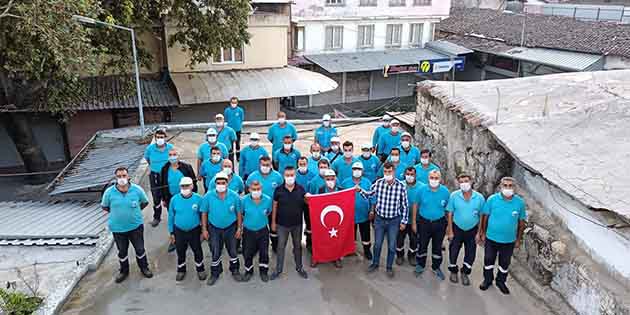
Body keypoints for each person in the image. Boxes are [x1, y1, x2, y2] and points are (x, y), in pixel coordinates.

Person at [101, 167, 153, 283]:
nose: (122, 178)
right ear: (115, 178)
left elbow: (144, 202)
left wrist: (134, 213)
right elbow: (105, 206)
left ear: (128, 176)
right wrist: (118, 213)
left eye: (124, 176)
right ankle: (124, 271)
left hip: (135, 227)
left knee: (140, 249)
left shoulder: (137, 190)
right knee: (122, 251)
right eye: (119, 176)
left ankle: (144, 267)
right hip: (118, 229)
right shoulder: (109, 192)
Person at [478, 177, 527, 295]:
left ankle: (501, 282)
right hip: (491, 238)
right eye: (505, 185)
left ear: (514, 188)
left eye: (510, 186)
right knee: (488, 259)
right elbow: (485, 216)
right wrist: (483, 233)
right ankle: (487, 280)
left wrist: (518, 239)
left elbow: (521, 222)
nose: (508, 188)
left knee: (504, 263)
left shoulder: (519, 203)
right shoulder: (492, 199)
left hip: (509, 240)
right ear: (500, 186)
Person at [359, 162, 409, 278]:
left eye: (389, 172)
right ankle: (375, 263)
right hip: (380, 219)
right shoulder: (379, 183)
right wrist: (360, 190)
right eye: (385, 172)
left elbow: (405, 206)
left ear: (394, 172)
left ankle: (389, 267)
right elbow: (369, 195)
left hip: (394, 221)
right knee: (377, 244)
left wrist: (404, 221)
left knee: (392, 246)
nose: (387, 174)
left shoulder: (401, 187)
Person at [200, 172, 243, 286]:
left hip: (231, 227)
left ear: (227, 183)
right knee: (215, 251)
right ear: (215, 184)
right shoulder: (208, 196)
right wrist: (204, 229)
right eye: (218, 183)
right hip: (214, 228)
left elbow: (239, 213)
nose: (220, 185)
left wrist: (239, 228)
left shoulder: (235, 196)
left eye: (223, 183)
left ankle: (235, 270)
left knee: (233, 250)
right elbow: (204, 213)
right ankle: (215, 272)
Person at [446, 173, 486, 286]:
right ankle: (453, 271)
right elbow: (450, 213)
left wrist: (479, 232)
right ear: (458, 183)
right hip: (457, 227)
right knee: (453, 250)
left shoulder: (479, 198)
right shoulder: (454, 196)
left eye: (466, 181)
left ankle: (465, 272)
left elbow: (481, 215)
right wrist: (450, 230)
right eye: (461, 182)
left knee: (471, 253)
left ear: (471, 181)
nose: (464, 184)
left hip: (472, 229)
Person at [271, 167, 309, 280]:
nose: (289, 178)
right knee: (280, 247)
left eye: (292, 175)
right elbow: (274, 206)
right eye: (287, 175)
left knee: (297, 246)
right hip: (281, 225)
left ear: (295, 176)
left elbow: (307, 205)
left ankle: (299, 267)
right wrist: (273, 222)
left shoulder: (301, 189)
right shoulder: (278, 190)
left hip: (297, 225)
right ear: (283, 176)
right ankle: (278, 269)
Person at [168, 177, 206, 282]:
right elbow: (171, 216)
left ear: (192, 186)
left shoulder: (199, 199)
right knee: (180, 251)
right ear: (180, 187)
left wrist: (203, 230)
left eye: (187, 186)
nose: (185, 188)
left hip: (194, 230)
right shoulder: (174, 200)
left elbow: (203, 215)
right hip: (179, 230)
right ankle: (181, 270)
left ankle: (200, 269)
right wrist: (171, 232)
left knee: (197, 250)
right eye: (183, 186)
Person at [160, 148, 198, 252]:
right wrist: (163, 198)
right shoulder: (164, 169)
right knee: (173, 218)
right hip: (171, 199)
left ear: (178, 155)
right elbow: (162, 184)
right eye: (170, 155)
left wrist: (194, 196)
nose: (172, 157)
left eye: (174, 154)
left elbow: (194, 183)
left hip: (187, 198)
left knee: (190, 217)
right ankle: (174, 239)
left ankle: (193, 238)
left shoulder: (187, 167)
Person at [415, 170, 450, 280]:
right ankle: (420, 265)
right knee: (422, 244)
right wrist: (414, 223)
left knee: (437, 247)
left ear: (440, 179)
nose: (433, 180)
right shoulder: (421, 190)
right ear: (428, 178)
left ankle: (436, 267)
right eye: (432, 177)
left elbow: (448, 210)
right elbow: (415, 205)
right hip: (424, 222)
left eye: (436, 178)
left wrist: (448, 226)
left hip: (439, 223)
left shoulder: (445, 192)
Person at [245, 156, 284, 252]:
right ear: (259, 164)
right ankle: (256, 246)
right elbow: (247, 190)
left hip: (273, 209)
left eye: (267, 165)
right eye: (263, 165)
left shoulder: (278, 176)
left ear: (271, 164)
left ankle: (275, 246)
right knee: (257, 228)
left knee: (274, 229)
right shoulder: (253, 176)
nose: (265, 167)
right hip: (257, 208)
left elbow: (282, 191)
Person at [240, 180, 272, 282]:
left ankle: (263, 272)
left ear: (261, 189)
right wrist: (240, 228)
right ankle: (248, 271)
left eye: (258, 189)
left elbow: (268, 212)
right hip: (248, 231)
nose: (256, 191)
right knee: (247, 252)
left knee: (264, 252)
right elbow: (241, 214)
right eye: (253, 189)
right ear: (249, 189)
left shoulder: (267, 200)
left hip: (263, 231)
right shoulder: (244, 200)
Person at [340, 162, 373, 261]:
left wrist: (372, 211)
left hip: (364, 215)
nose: (357, 171)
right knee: (350, 235)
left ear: (362, 171)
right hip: (349, 215)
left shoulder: (367, 182)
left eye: (359, 169)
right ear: (352, 170)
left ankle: (367, 250)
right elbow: (340, 198)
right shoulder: (345, 182)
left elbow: (372, 198)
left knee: (366, 235)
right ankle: (350, 250)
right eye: (354, 169)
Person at [312, 169, 343, 268]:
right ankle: (317, 257)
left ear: (335, 179)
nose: (330, 180)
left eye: (332, 178)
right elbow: (316, 202)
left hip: (336, 219)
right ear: (324, 179)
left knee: (336, 239)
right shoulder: (321, 189)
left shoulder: (341, 189)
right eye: (328, 179)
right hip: (323, 218)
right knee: (320, 238)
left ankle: (336, 257)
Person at [144, 129, 173, 227]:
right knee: (156, 198)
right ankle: (157, 217)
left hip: (167, 175)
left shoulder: (170, 147)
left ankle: (172, 217)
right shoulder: (150, 148)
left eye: (162, 137)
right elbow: (147, 159)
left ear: (165, 138)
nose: (160, 139)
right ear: (155, 138)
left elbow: (173, 159)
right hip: (155, 175)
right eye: (158, 137)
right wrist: (154, 167)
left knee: (168, 196)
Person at [396, 167, 423, 266]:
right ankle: (399, 255)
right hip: (401, 219)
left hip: (415, 220)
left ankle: (412, 256)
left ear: (416, 175)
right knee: (399, 239)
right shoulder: (399, 184)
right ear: (404, 174)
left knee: (414, 240)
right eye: (408, 174)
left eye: (412, 174)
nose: (410, 176)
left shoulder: (422, 187)